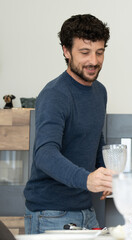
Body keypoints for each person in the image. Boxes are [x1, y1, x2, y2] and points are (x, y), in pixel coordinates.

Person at [23, 14, 114, 234]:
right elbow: (44, 153)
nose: (94, 60)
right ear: (66, 51)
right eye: (85, 52)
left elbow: (93, 136)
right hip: (50, 214)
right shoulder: (55, 94)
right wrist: (87, 179)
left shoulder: (100, 92)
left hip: (85, 209)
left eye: (99, 52)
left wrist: (105, 174)